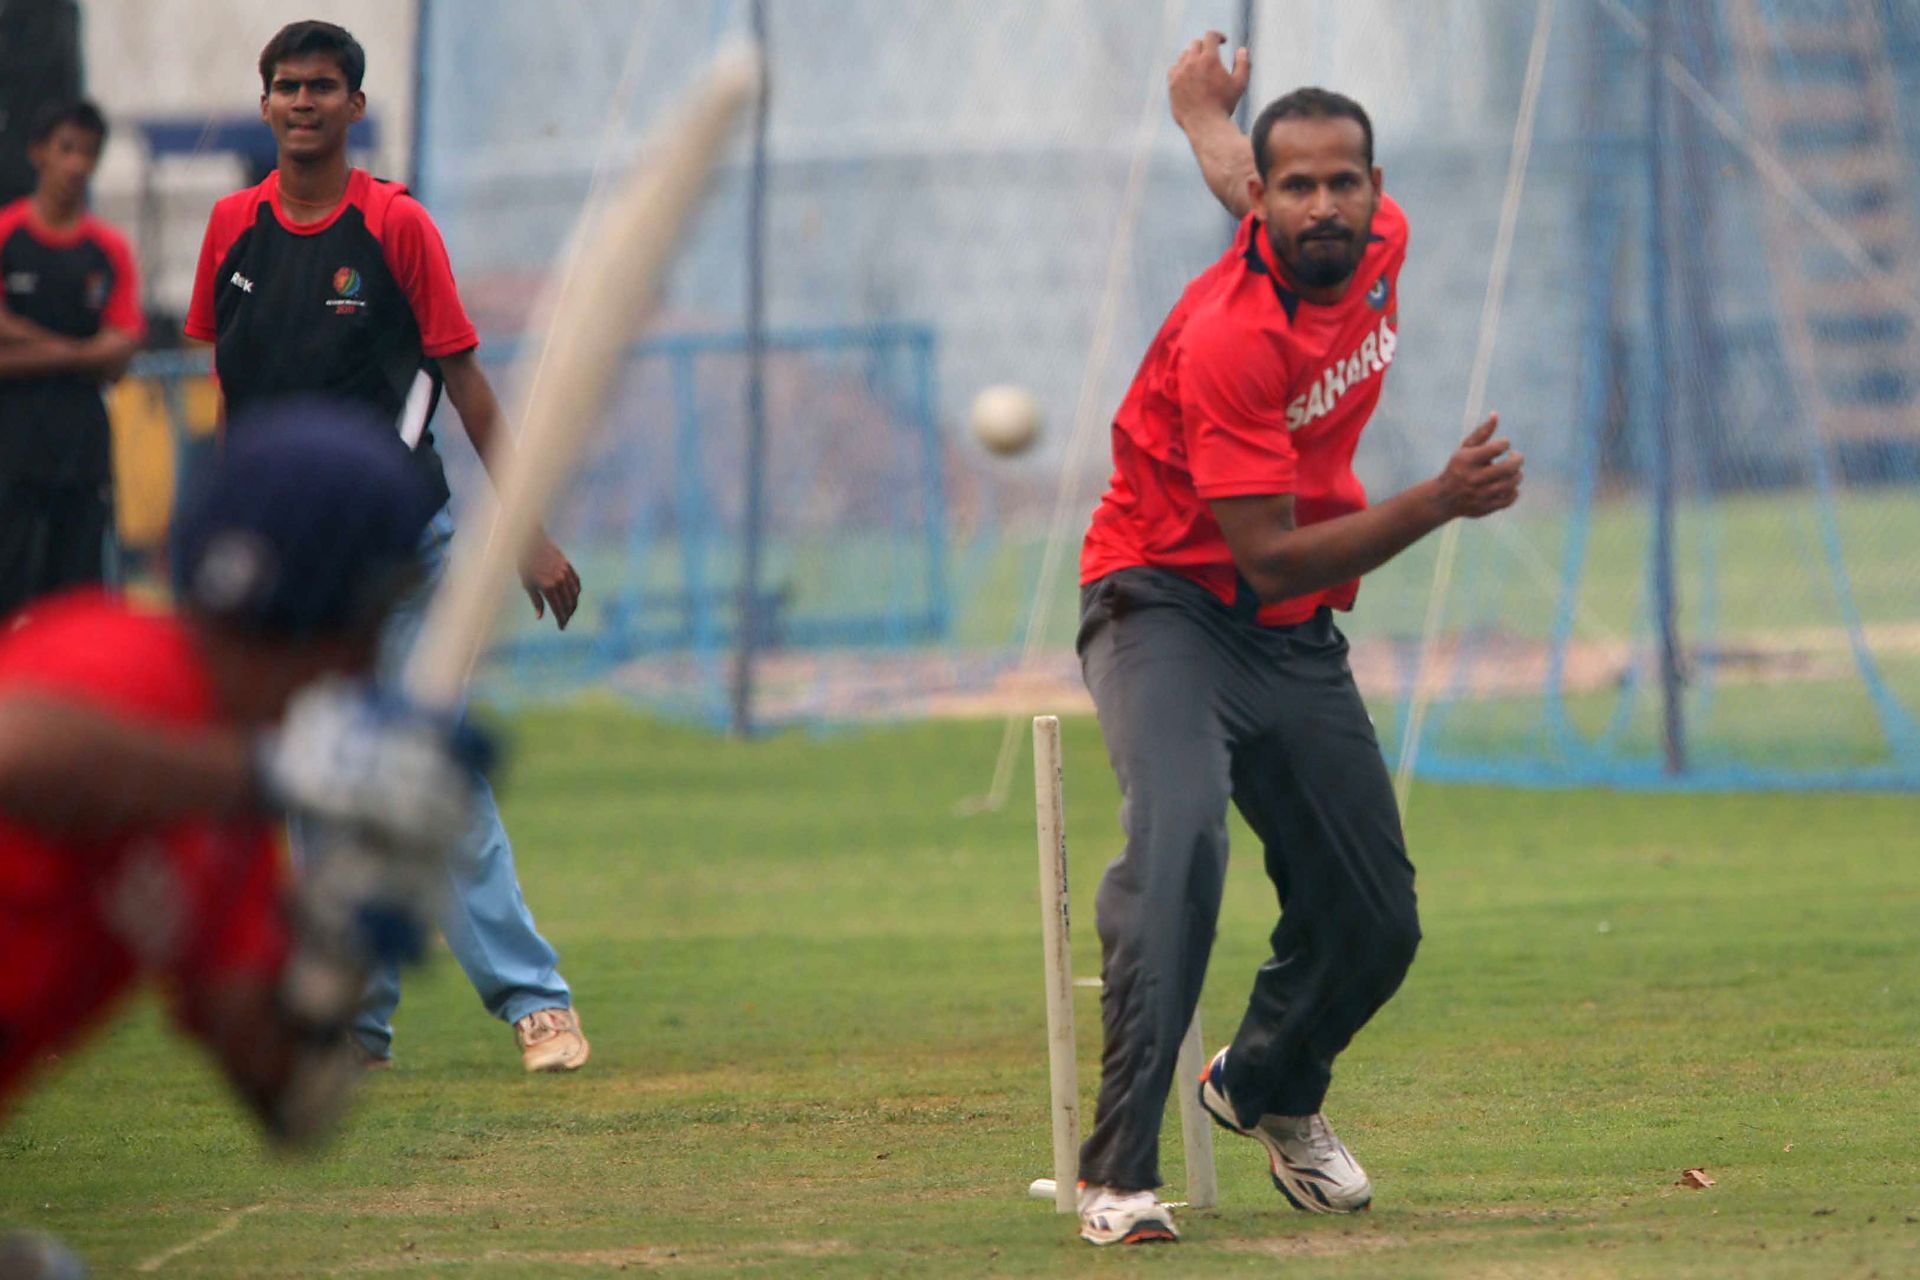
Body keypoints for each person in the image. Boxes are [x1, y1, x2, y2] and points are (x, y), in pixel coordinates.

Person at [1067, 35, 1524, 1245]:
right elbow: (1265, 552)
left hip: (1287, 628)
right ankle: (1116, 1171)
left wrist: (1199, 118)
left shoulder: (1377, 244)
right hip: (1161, 599)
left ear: (1375, 192)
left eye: (1347, 181)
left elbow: (1252, 174)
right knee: (1182, 848)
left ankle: (1260, 1083)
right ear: (1267, 204)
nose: (1326, 204)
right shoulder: (1230, 334)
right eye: (1299, 186)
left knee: (1376, 917)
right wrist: (1439, 498)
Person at [184, 20, 588, 1072]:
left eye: (323, 87)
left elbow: (467, 386)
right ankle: (356, 1029)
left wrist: (528, 537)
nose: (304, 102)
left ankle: (536, 1000)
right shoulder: (231, 228)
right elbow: (235, 397)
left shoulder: (397, 227)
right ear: (265, 104)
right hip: (289, 571)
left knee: (426, 774)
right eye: (286, 86)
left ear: (354, 109)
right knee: (318, 788)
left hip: (405, 552)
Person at [0, 403, 482, 1140]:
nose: (372, 655)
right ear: (331, 608)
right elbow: (16, 747)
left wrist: (343, 935)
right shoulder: (124, 661)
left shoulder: (229, 818)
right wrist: (272, 773)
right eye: (376, 616)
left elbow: (282, 1095)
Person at [0, 100, 144, 620]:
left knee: (78, 598)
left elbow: (121, 349)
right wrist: (77, 352)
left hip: (80, 445)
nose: (77, 164)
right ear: (39, 153)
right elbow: (98, 352)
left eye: (89, 152)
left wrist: (27, 349)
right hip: (11, 443)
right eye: (66, 148)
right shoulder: (7, 236)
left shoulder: (109, 249)